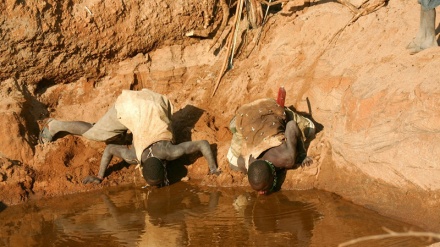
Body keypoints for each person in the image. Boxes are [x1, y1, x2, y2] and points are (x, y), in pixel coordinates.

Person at [39, 88, 221, 187]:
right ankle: (55, 125)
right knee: (96, 133)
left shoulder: (172, 151)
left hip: (157, 103)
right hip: (133, 106)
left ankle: (124, 133)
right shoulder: (133, 156)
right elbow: (109, 149)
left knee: (117, 136)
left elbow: (204, 144)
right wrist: (99, 176)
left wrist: (213, 169)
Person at [227, 95, 314, 195]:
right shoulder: (245, 164)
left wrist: (302, 155)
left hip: (268, 107)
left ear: (273, 174)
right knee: (235, 143)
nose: (261, 193)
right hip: (245, 114)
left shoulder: (287, 158)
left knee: (310, 129)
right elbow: (237, 162)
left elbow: (292, 125)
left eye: (264, 188)